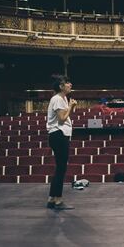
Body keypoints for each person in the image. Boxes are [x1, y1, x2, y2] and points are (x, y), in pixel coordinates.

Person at [46, 75, 77, 210]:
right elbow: (62, 118)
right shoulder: (58, 99)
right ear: (61, 86)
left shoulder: (62, 98)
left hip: (59, 135)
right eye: (67, 83)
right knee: (61, 168)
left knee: (60, 168)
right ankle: (58, 200)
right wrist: (70, 106)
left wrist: (71, 106)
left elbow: (66, 115)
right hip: (58, 134)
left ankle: (52, 198)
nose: (70, 84)